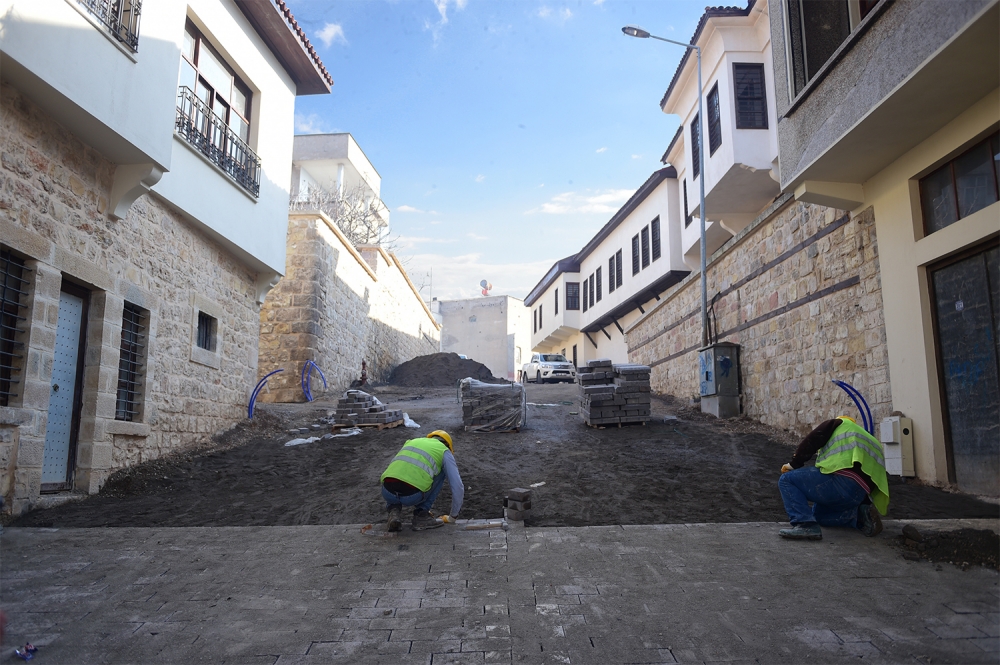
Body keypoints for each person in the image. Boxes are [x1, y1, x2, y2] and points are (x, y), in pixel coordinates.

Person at [778, 416, 888, 540]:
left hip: (840, 480)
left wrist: (794, 464)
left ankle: (805, 525)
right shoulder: (870, 439)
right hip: (860, 495)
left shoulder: (839, 423)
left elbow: (813, 439)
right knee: (819, 516)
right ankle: (860, 517)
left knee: (787, 480)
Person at [381, 430, 464, 532]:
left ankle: (394, 511)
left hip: (387, 492)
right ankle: (421, 515)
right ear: (448, 445)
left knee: (399, 474)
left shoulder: (412, 441)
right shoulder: (444, 451)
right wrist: (453, 517)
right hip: (411, 496)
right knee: (442, 471)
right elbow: (457, 486)